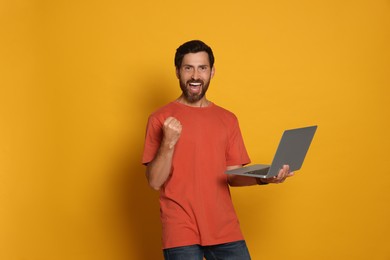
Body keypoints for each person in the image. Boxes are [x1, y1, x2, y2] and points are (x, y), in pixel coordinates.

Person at [142, 40, 294, 260]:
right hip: (181, 230)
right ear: (177, 72)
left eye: (202, 68)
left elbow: (231, 175)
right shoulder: (160, 118)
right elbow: (155, 181)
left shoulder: (227, 119)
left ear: (212, 72)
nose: (195, 75)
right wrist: (168, 142)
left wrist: (264, 177)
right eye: (188, 68)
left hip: (225, 227)